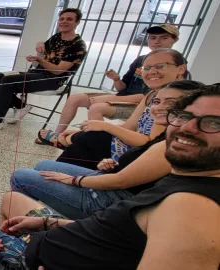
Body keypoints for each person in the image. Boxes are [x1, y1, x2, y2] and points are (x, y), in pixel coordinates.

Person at [0, 83, 220, 270]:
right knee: (13, 197)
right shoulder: (191, 179)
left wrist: (76, 181)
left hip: (36, 259)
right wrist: (49, 222)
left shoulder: (192, 209)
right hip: (69, 237)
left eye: (211, 123)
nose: (187, 128)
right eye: (183, 117)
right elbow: (126, 234)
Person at [11, 80, 203, 219]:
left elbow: (120, 182)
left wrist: (75, 181)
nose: (159, 107)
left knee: (20, 177)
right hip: (115, 187)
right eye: (157, 101)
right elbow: (139, 172)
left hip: (111, 202)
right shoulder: (166, 136)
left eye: (172, 103)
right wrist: (113, 165)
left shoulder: (169, 145)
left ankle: (43, 228)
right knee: (44, 164)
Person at [52, 48, 187, 170]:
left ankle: (57, 172)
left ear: (180, 69)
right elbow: (129, 126)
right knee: (87, 140)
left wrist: (104, 127)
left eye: (160, 66)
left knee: (91, 138)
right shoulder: (152, 94)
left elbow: (149, 142)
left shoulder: (177, 100)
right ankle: (58, 175)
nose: (152, 72)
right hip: (134, 148)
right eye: (147, 68)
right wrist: (82, 132)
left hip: (143, 157)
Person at [39, 24, 180, 137]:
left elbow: (148, 97)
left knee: (97, 107)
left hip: (142, 107)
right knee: (75, 98)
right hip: (123, 98)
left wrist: (106, 99)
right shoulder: (140, 60)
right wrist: (116, 79)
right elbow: (121, 89)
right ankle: (58, 134)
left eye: (163, 38)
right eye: (153, 38)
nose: (157, 42)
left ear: (174, 40)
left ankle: (96, 144)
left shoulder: (176, 65)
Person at [0, 8, 87, 130]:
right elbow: (42, 44)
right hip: (37, 74)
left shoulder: (77, 45)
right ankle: (21, 106)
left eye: (69, 19)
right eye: (62, 19)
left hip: (52, 80)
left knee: (8, 81)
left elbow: (58, 71)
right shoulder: (57, 37)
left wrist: (40, 60)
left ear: (77, 22)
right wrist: (40, 43)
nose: (64, 22)